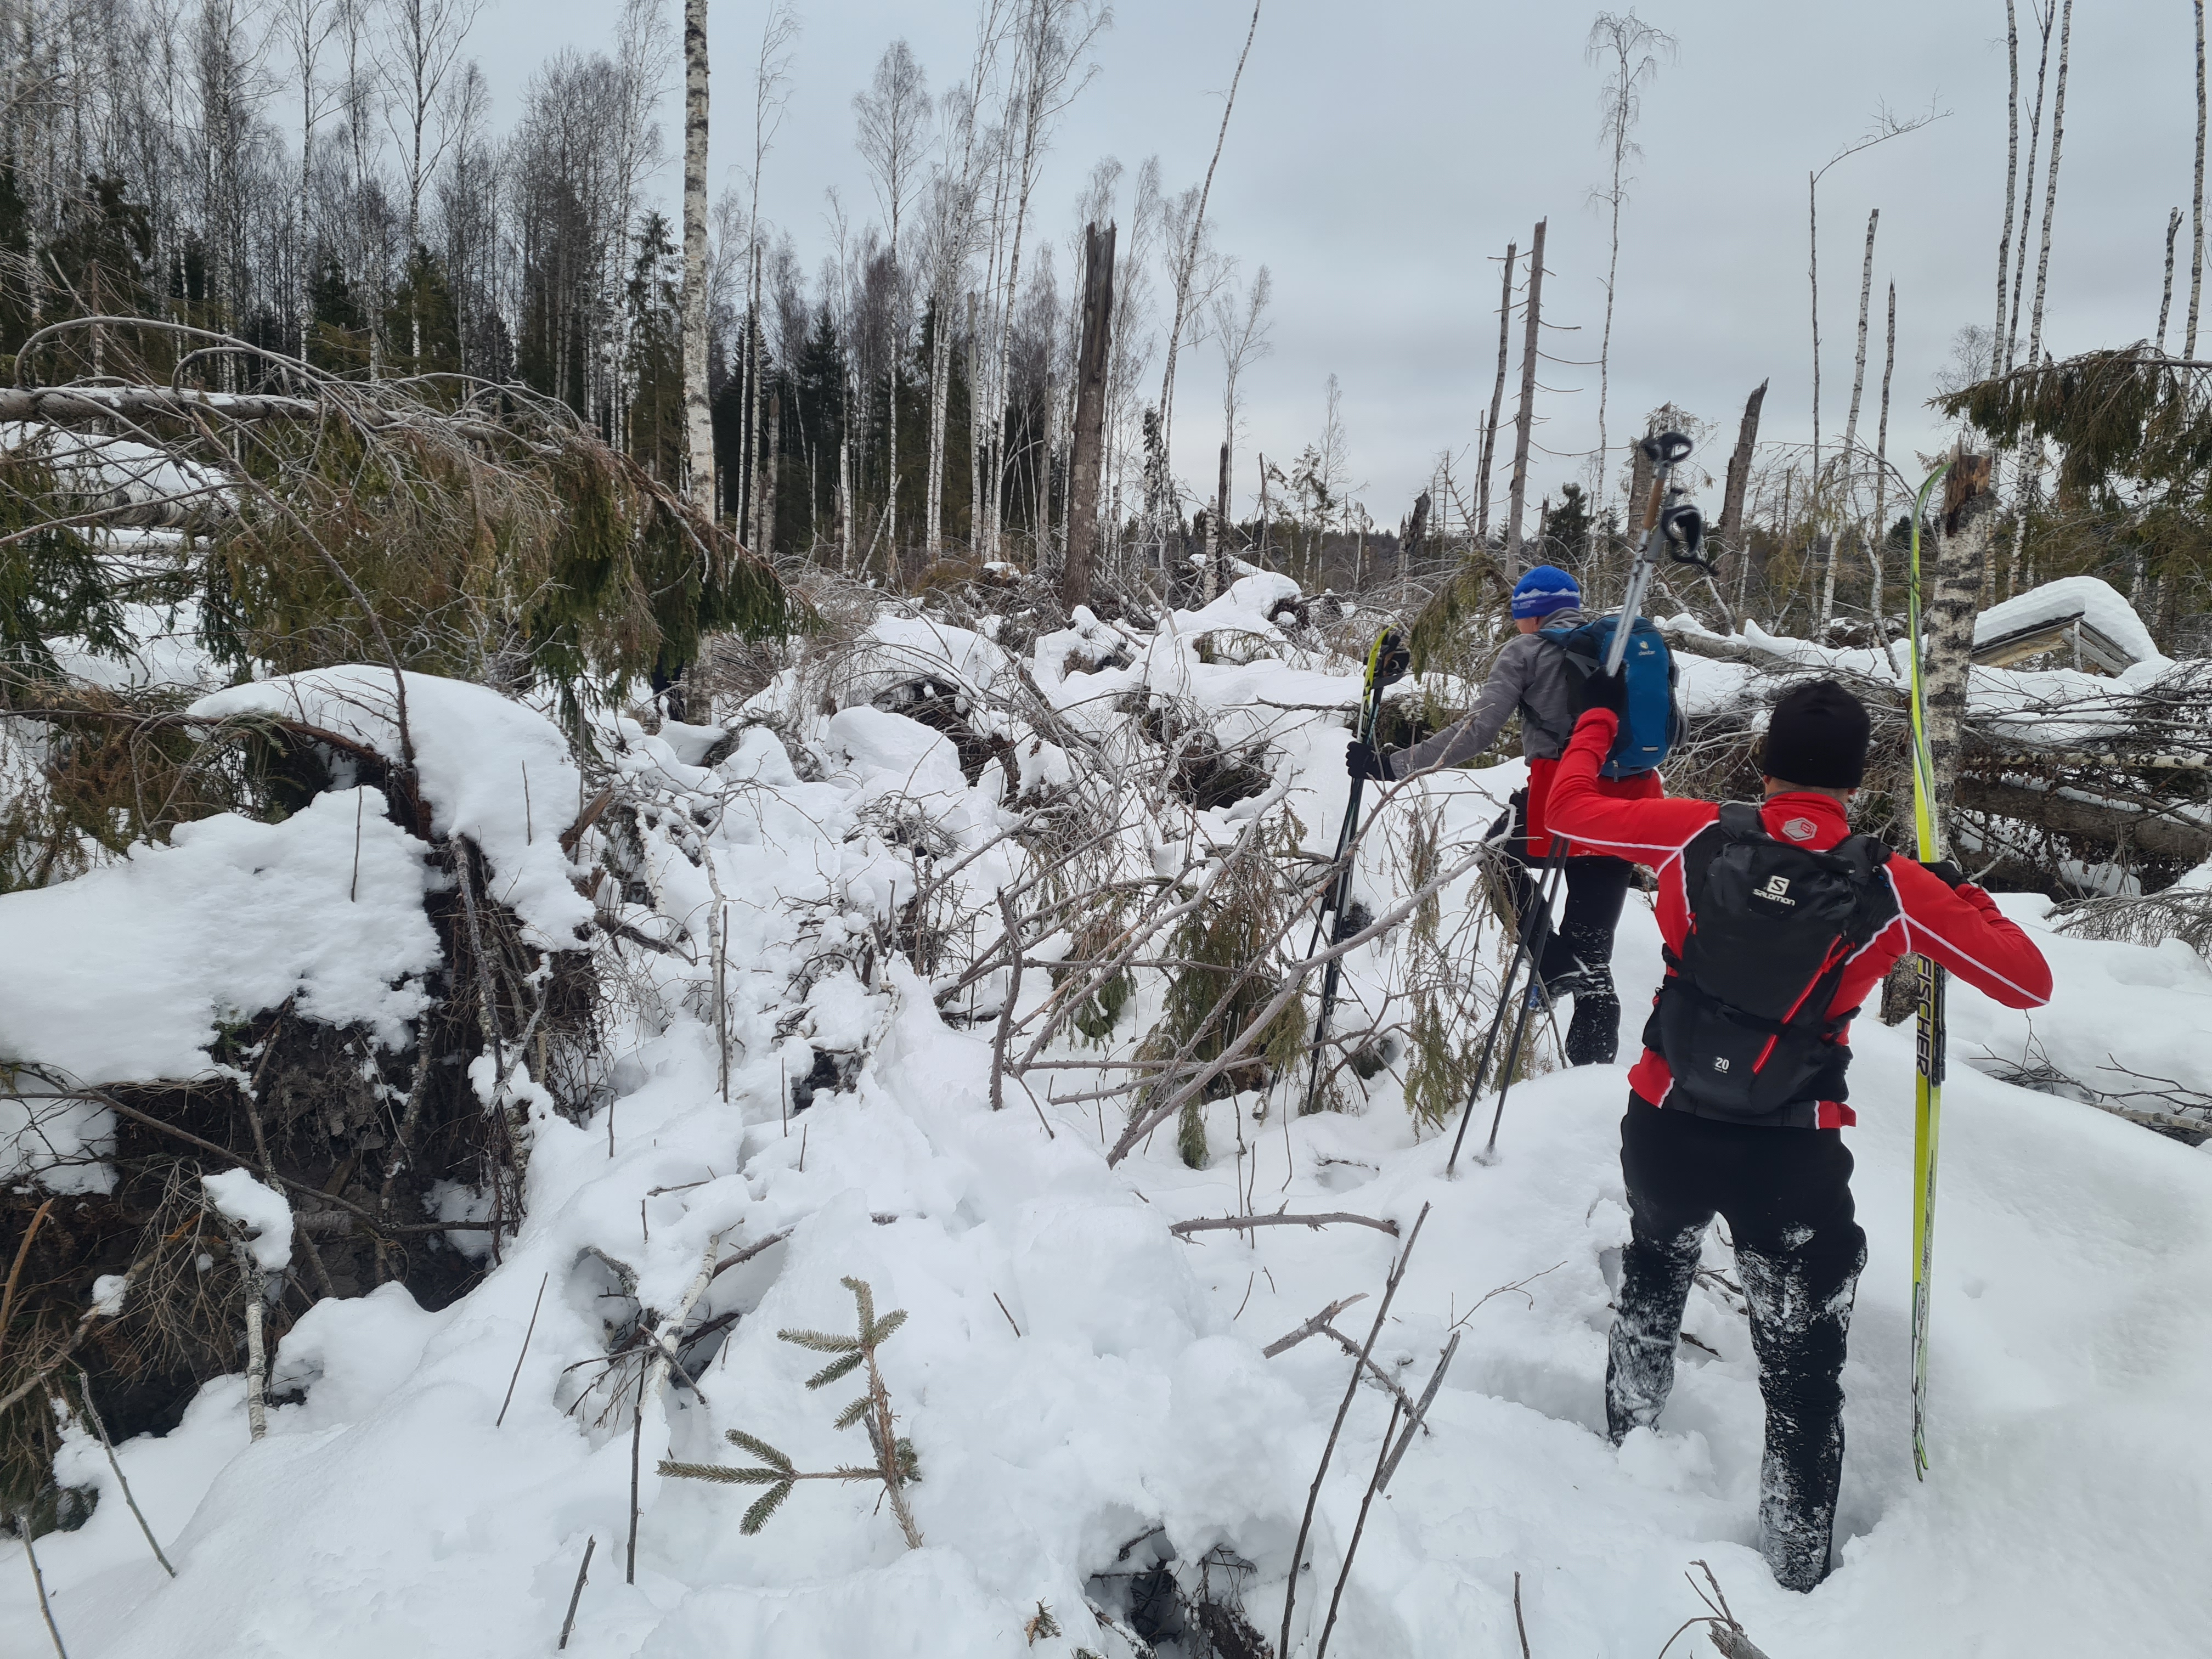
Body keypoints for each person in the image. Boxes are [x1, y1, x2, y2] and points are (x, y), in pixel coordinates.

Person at [1546, 676, 2053, 1593]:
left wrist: (1597, 718)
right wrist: (1959, 895)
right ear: (1856, 781)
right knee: (1802, 1377)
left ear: (1764, 762)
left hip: (1665, 1122)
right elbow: (2026, 982)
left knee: (1654, 1271)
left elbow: (1567, 812)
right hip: (1789, 1158)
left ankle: (1625, 1456)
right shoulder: (1889, 885)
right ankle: (1792, 1575)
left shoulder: (1696, 833)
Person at [1346, 565, 1651, 1065]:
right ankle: (1591, 1078)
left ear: (1531, 614)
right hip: (1631, 802)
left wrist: (1390, 766)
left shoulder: (1528, 651)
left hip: (1562, 797)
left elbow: (1477, 732)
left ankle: (1552, 961)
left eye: (1518, 616)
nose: (1516, 625)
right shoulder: (1622, 649)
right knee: (1594, 960)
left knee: (1496, 857)